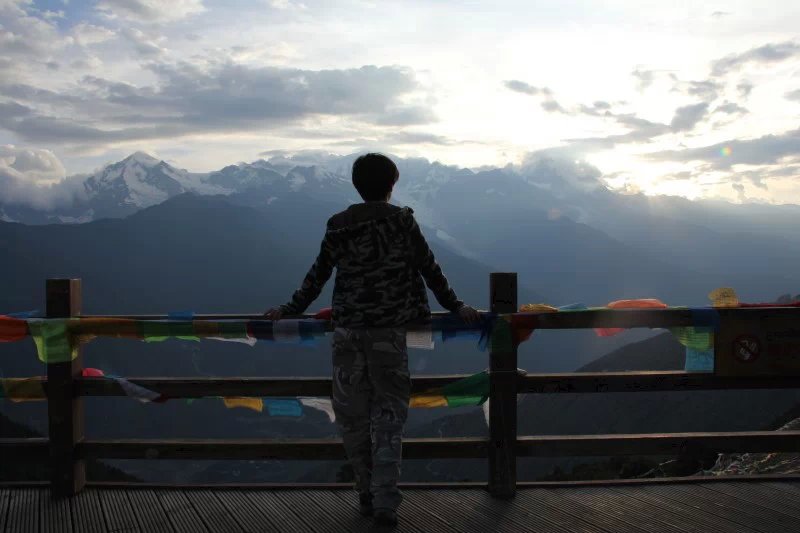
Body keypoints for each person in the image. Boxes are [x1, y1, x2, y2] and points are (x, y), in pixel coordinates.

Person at [265, 153, 480, 527]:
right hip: (389, 335)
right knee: (388, 418)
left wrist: (289, 309)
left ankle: (364, 491)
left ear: (356, 185)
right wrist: (456, 305)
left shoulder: (338, 226)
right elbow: (430, 269)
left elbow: (316, 277)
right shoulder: (402, 222)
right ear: (392, 184)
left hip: (348, 333)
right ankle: (385, 501)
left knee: (352, 417)